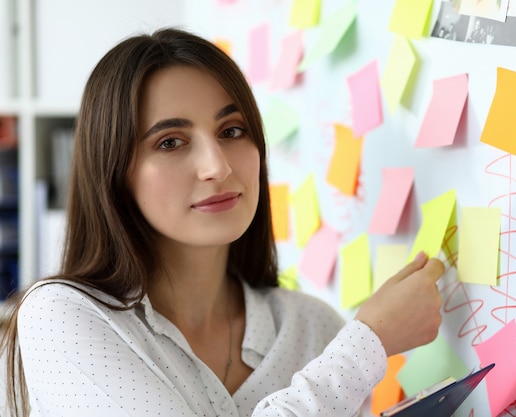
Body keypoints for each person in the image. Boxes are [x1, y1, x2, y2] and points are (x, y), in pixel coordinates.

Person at [0, 27, 444, 417]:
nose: (216, 166)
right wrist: (367, 345)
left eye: (232, 131)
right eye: (171, 142)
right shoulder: (62, 315)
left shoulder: (315, 328)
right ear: (115, 171)